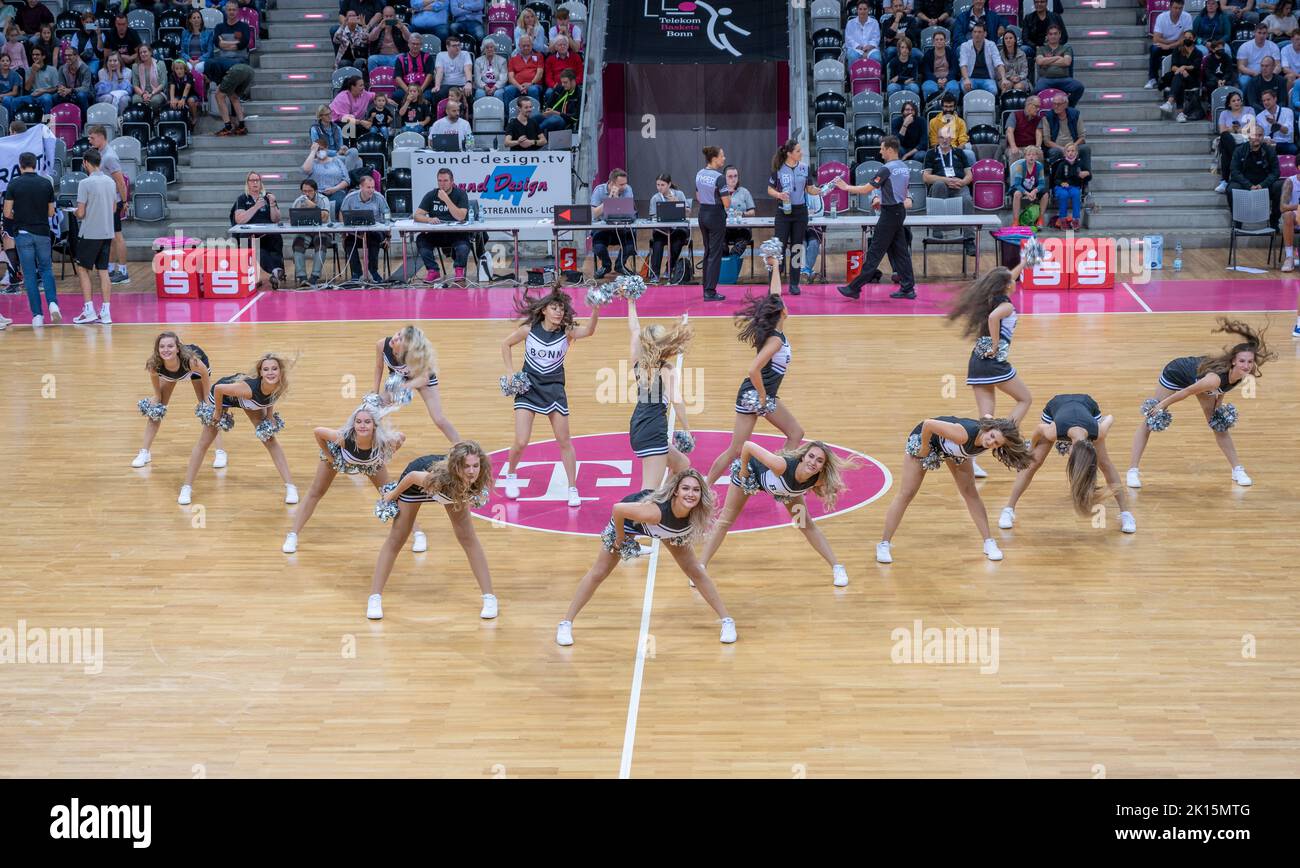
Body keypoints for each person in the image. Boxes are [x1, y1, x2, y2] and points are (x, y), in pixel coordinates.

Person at [556, 469, 735, 647]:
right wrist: (620, 539)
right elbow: (618, 509)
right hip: (628, 523)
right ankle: (566, 624)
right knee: (599, 572)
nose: (691, 494)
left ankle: (727, 621)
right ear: (675, 492)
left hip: (664, 529)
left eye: (696, 490)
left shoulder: (695, 514)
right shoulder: (655, 512)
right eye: (686, 488)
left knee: (695, 571)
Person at [1128, 319, 1275, 489]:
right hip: (1176, 373)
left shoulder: (1241, 373)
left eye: (1250, 362)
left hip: (1200, 378)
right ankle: (1132, 471)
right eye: (1242, 361)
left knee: (1219, 425)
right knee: (1150, 420)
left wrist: (1218, 406)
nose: (1247, 365)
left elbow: (1224, 388)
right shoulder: (1214, 379)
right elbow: (1187, 391)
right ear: (1233, 361)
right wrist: (1161, 406)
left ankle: (1237, 470)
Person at [703, 250, 804, 486]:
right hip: (755, 394)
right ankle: (776, 482)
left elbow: (775, 293)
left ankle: (772, 480)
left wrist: (776, 266)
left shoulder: (775, 330)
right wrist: (761, 396)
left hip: (760, 394)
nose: (786, 305)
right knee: (792, 435)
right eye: (784, 306)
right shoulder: (776, 340)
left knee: (738, 449)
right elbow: (753, 369)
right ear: (782, 313)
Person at [875, 415, 1031, 564]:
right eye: (991, 436)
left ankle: (989, 542)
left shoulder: (987, 439)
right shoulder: (963, 435)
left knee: (970, 493)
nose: (990, 442)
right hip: (926, 438)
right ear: (988, 429)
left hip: (952, 449)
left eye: (996, 443)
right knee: (907, 493)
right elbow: (928, 424)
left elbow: (989, 416)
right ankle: (883, 544)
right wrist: (923, 449)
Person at [701, 439, 855, 587]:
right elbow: (747, 445)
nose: (813, 462)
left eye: (819, 460)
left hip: (786, 491)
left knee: (806, 525)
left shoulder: (818, 479)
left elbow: (831, 487)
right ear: (803, 457)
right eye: (811, 456)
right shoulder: (781, 465)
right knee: (725, 521)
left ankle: (837, 567)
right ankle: (701, 567)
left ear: (822, 467)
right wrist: (743, 472)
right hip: (750, 474)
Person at [499, 288, 601, 508]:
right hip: (529, 388)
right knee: (521, 440)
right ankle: (511, 474)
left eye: (561, 308)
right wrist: (510, 372)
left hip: (554, 389)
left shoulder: (567, 331)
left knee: (564, 441)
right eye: (554, 308)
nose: (558, 312)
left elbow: (590, 331)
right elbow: (505, 344)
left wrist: (595, 310)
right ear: (544, 310)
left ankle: (572, 488)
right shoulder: (529, 329)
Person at [283, 403, 415, 555]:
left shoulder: (383, 442)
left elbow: (401, 437)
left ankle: (418, 535)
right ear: (353, 424)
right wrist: (328, 456)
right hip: (340, 457)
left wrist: (384, 457)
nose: (362, 425)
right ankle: (292, 536)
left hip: (370, 463)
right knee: (315, 492)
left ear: (375, 425)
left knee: (393, 495)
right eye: (358, 422)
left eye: (367, 422)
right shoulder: (343, 439)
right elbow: (318, 432)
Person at [998, 394, 1136, 535]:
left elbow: (1110, 417)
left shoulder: (1098, 432)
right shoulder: (1053, 431)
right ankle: (1008, 509)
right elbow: (1039, 429)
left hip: (1088, 406)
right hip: (1056, 406)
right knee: (1034, 463)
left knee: (1105, 464)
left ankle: (1126, 513)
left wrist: (1102, 423)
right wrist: (1031, 448)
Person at [179, 354, 298, 508]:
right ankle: (186, 488)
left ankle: (291, 487)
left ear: (280, 372)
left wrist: (269, 416)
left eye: (274, 369)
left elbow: (270, 399)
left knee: (270, 440)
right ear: (260, 373)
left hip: (248, 401)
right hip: (224, 396)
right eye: (266, 369)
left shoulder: (280, 385)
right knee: (205, 442)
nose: (270, 372)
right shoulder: (249, 389)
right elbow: (220, 389)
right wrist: (218, 412)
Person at [835, 136, 916, 300]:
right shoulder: (903, 167)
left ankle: (854, 287)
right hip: (899, 211)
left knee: (875, 252)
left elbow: (866, 189)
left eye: (882, 148)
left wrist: (845, 187)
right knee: (901, 252)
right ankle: (908, 287)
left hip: (889, 214)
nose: (880, 152)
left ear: (890, 150)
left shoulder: (886, 169)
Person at [132, 332, 225, 469]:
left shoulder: (193, 361)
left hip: (195, 372)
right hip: (170, 374)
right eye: (162, 346)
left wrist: (207, 397)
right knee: (155, 410)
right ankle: (144, 452)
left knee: (209, 410)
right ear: (157, 349)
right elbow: (155, 382)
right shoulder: (154, 364)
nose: (166, 349)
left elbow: (204, 373)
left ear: (177, 348)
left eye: (170, 346)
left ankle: (220, 452)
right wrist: (157, 396)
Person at [374, 324, 461, 441]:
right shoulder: (381, 345)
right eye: (399, 334)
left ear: (406, 350)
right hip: (400, 377)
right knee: (375, 408)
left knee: (438, 419)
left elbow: (424, 380)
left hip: (420, 378)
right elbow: (379, 368)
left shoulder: (417, 357)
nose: (395, 338)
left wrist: (406, 386)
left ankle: (461, 447)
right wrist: (375, 392)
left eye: (400, 340)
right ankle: (371, 443)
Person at [3, 151, 58, 328]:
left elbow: (6, 213)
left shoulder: (14, 184)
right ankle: (52, 303)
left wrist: (18, 215)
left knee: (29, 275)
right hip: (42, 232)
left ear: (20, 165)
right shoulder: (46, 183)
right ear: (35, 164)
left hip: (23, 233)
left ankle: (37, 316)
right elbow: (51, 212)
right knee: (46, 270)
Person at [766, 139, 820, 297]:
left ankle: (794, 284)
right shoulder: (778, 169)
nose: (801, 153)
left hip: (800, 213)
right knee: (778, 249)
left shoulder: (804, 168)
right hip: (783, 212)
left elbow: (809, 189)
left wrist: (820, 190)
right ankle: (774, 284)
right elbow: (769, 189)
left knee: (797, 248)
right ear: (789, 154)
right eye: (798, 151)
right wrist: (779, 194)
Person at [71, 148, 115, 325]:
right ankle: (106, 312)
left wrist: (74, 212)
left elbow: (81, 213)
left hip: (90, 233)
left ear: (86, 163)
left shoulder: (85, 183)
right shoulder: (110, 181)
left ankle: (89, 309)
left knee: (83, 269)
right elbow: (113, 208)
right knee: (103, 272)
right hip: (107, 232)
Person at [413, 165, 473, 282]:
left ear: (452, 181)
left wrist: (446, 199)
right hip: (436, 234)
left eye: (445, 180)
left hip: (456, 234)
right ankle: (433, 270)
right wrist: (429, 219)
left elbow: (460, 217)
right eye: (439, 181)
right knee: (421, 239)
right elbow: (417, 215)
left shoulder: (460, 194)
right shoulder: (431, 195)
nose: (442, 184)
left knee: (464, 245)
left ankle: (459, 270)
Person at [923, 127, 975, 255]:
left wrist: (963, 182)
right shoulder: (931, 153)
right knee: (940, 184)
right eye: (941, 137)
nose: (944, 140)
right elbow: (926, 177)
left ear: (952, 138)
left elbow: (969, 175)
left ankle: (969, 239)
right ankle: (937, 228)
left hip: (958, 186)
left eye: (947, 137)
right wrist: (946, 180)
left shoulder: (959, 153)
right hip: (940, 187)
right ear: (937, 138)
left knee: (967, 199)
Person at [230, 171, 286, 289]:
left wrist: (272, 204)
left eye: (257, 180)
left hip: (268, 231)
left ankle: (276, 273)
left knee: (276, 238)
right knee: (256, 247)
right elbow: (239, 219)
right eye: (252, 180)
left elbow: (276, 219)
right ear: (248, 183)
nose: (255, 183)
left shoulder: (268, 196)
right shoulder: (242, 198)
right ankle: (275, 270)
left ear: (261, 183)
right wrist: (255, 207)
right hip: (250, 233)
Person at [1229, 122, 1282, 228]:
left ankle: (1274, 221)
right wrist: (1249, 185)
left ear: (1263, 136)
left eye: (1260, 135)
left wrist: (1262, 185)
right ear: (1249, 136)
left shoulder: (1269, 150)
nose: (1257, 138)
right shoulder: (1239, 150)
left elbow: (1276, 172)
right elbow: (1234, 171)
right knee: (1231, 188)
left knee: (1280, 186)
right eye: (1254, 135)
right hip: (1245, 185)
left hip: (1264, 185)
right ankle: (1237, 221)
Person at [696, 144, 731, 301]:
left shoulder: (699, 174)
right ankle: (710, 292)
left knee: (708, 252)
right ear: (714, 158)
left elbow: (698, 196)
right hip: (715, 215)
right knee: (715, 254)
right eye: (722, 155)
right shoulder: (719, 177)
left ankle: (706, 289)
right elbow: (727, 203)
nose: (724, 158)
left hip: (702, 213)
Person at [339, 174, 390, 282]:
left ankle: (373, 271)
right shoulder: (350, 198)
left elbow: (387, 217)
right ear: (361, 187)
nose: (371, 190)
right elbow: (341, 214)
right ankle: (356, 273)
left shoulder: (379, 197)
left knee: (373, 238)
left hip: (375, 231)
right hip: (355, 232)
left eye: (373, 187)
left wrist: (388, 237)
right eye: (368, 187)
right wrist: (344, 233)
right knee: (348, 242)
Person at [589, 168, 635, 277]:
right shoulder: (599, 190)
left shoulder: (627, 189)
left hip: (621, 227)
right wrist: (609, 200)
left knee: (631, 244)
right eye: (621, 184)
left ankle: (620, 265)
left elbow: (628, 211)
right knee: (598, 247)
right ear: (612, 183)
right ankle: (606, 265)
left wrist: (618, 198)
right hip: (603, 228)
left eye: (625, 183)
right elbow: (594, 214)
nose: (624, 186)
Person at [646, 173, 688, 283]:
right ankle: (655, 273)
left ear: (669, 184)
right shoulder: (655, 198)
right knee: (658, 243)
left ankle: (669, 268)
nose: (660, 187)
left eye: (662, 185)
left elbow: (688, 213)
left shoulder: (679, 194)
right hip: (662, 230)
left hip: (677, 229)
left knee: (678, 240)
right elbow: (653, 217)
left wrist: (677, 203)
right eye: (658, 185)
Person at [290, 179, 331, 286]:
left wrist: (313, 206)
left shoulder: (323, 199)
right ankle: (302, 277)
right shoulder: (298, 201)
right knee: (297, 243)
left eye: (310, 191)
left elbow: (325, 218)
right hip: (306, 232)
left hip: (322, 231)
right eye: (304, 191)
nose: (306, 194)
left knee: (320, 242)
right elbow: (291, 220)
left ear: (315, 191)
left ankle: (314, 277)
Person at [1215, 90, 1255, 193]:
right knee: (1225, 137)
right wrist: (1234, 129)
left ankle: (1224, 181)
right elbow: (1222, 131)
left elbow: (1252, 128)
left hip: (1245, 139)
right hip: (1230, 139)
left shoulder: (1249, 110)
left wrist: (1235, 129)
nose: (1237, 102)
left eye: (1238, 100)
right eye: (1233, 101)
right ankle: (1237, 158)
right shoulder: (1224, 113)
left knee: (1225, 153)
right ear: (1229, 103)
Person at [1035, 24, 1084, 106]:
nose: (1053, 36)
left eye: (1055, 33)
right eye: (1050, 34)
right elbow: (1040, 61)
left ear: (1059, 35)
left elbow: (1067, 62)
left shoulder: (1066, 48)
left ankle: (1068, 106)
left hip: (1063, 79)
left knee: (1079, 87)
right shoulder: (1041, 49)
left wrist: (1046, 61)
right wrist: (1058, 57)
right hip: (1046, 79)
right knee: (1036, 91)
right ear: (1047, 36)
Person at [302, 139, 352, 218]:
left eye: (321, 149)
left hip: (336, 191)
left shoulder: (337, 161)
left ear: (326, 148)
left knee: (339, 201)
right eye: (317, 150)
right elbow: (305, 170)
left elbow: (347, 180)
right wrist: (313, 152)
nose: (319, 151)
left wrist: (334, 189)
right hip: (317, 193)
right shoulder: (312, 163)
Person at [1043, 93, 1090, 171]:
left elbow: (1082, 137)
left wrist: (1073, 147)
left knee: (1085, 149)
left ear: (1065, 104)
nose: (1055, 106)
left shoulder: (1075, 115)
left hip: (1073, 144)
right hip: (1057, 146)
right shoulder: (1048, 117)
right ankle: (1054, 180)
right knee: (1054, 152)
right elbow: (1047, 141)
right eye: (1054, 104)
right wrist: (1063, 149)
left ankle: (1085, 178)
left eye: (1058, 104)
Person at [928, 92, 977, 164]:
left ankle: (971, 174)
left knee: (969, 153)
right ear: (942, 107)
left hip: (956, 149)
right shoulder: (933, 122)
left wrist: (954, 152)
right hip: (940, 150)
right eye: (946, 106)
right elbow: (934, 142)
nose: (948, 109)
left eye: (950, 106)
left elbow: (963, 141)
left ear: (954, 107)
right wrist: (945, 151)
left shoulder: (960, 122)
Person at [959, 22, 1003, 96]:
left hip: (987, 78)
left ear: (985, 34)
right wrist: (966, 79)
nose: (976, 34)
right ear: (972, 34)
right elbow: (963, 64)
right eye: (975, 32)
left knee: (994, 90)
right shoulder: (965, 45)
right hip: (970, 78)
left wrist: (1004, 78)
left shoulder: (991, 45)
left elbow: (998, 63)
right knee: (965, 87)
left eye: (979, 32)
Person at [1051, 142, 1088, 230]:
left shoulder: (1080, 164)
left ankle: (1075, 220)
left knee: (1076, 194)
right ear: (1065, 153)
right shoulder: (1061, 164)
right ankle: (1062, 219)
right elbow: (1055, 179)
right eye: (1068, 151)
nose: (1070, 153)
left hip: (1074, 186)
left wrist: (1087, 173)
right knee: (1064, 195)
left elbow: (1088, 176)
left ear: (1076, 153)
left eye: (1072, 151)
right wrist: (1061, 183)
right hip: (1061, 187)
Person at [1009, 145, 1048, 227]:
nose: (1031, 157)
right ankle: (1016, 220)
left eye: (1033, 155)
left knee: (1045, 195)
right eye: (1029, 155)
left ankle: (1040, 219)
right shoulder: (1020, 166)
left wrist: (1034, 191)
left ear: (1037, 156)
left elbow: (1042, 184)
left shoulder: (1039, 166)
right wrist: (1027, 193)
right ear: (1025, 156)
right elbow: (1017, 184)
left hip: (1033, 189)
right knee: (1017, 194)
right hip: (1021, 188)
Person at [1235, 21, 1280, 90]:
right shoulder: (1245, 46)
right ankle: (1244, 100)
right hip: (1250, 74)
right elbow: (1241, 66)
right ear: (1254, 33)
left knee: (1281, 80)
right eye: (1259, 33)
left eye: (1264, 33)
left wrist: (1271, 74)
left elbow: (1278, 65)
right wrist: (1254, 73)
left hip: (1269, 74)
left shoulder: (1273, 46)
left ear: (1267, 35)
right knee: (1244, 81)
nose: (1262, 35)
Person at [504, 33, 544, 110]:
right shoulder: (513, 59)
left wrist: (530, 83)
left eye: (528, 45)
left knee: (533, 90)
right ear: (519, 46)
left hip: (534, 84)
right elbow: (511, 77)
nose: (526, 48)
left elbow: (539, 73)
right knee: (508, 90)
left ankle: (535, 116)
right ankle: (508, 116)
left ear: (532, 45)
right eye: (523, 46)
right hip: (517, 86)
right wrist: (519, 87)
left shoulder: (539, 56)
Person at [367, 5, 412, 73]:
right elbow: (371, 38)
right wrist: (380, 27)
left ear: (394, 16)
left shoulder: (401, 26)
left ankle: (398, 82)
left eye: (391, 16)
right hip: (381, 56)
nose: (389, 18)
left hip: (396, 56)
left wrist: (402, 28)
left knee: (402, 58)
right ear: (383, 17)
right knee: (371, 59)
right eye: (386, 16)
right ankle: (374, 82)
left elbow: (409, 39)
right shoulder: (377, 26)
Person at [723, 163, 756, 256]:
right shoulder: (719, 193)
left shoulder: (744, 192)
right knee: (721, 247)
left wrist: (742, 214)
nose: (733, 179)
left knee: (738, 248)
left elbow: (752, 212)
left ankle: (732, 265)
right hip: (725, 228)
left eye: (735, 176)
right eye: (730, 176)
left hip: (742, 228)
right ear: (724, 178)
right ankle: (725, 267)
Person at [922, 28, 961, 100]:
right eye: (936, 39)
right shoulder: (928, 54)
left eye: (941, 39)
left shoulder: (951, 53)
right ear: (933, 41)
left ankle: (952, 109)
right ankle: (931, 109)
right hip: (932, 79)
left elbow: (954, 69)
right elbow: (926, 71)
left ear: (945, 41)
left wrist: (947, 79)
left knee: (953, 88)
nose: (939, 41)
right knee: (929, 89)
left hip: (949, 79)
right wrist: (936, 80)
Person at [432, 33, 471, 104]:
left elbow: (468, 69)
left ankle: (467, 114)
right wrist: (437, 85)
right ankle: (438, 114)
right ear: (447, 47)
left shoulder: (465, 54)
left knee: (468, 92)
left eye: (459, 45)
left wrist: (468, 82)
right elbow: (439, 71)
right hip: (446, 84)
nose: (458, 48)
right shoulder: (440, 55)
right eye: (454, 46)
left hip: (461, 84)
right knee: (437, 93)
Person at [542, 35, 581, 106]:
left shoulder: (576, 57)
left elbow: (580, 75)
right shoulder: (550, 59)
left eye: (564, 44)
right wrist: (555, 86)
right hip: (556, 86)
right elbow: (548, 78)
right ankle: (549, 112)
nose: (562, 46)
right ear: (556, 47)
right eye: (560, 45)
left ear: (568, 46)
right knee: (549, 93)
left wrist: (572, 84)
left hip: (572, 85)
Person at [394, 38, 433, 108]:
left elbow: (430, 75)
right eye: (413, 44)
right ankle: (401, 116)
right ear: (408, 44)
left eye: (417, 44)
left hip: (423, 88)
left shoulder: (427, 57)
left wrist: (420, 91)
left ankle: (426, 116)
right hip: (406, 88)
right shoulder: (400, 58)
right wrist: (409, 91)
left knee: (428, 96)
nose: (415, 46)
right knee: (396, 95)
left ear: (421, 45)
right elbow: (397, 77)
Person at [1005, 94, 1043, 164]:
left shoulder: (1038, 119)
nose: (1038, 109)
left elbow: (1039, 134)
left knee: (1039, 154)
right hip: (1017, 146)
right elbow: (1009, 131)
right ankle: (1015, 175)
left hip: (1031, 147)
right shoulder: (1015, 115)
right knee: (1014, 154)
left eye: (1039, 107)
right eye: (1036, 106)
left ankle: (1036, 174)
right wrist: (1013, 146)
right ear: (1028, 105)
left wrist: (1037, 147)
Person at [538, 67, 579, 133]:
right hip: (552, 114)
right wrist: (547, 109)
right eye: (562, 82)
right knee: (536, 117)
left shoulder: (579, 95)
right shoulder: (559, 87)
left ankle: (534, 132)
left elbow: (575, 117)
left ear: (573, 81)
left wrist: (556, 113)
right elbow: (549, 103)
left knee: (554, 119)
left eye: (565, 82)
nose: (563, 85)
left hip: (565, 120)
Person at [1257, 88, 1296, 155]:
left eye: (1268, 99)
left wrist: (1275, 123)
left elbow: (1288, 131)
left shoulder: (1288, 111)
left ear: (1275, 99)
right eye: (1264, 101)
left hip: (1284, 143)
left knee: (1293, 149)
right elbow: (1260, 135)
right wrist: (1266, 140)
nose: (1266, 102)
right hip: (1267, 143)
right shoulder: (1259, 116)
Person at [880, 0, 919, 65]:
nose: (898, 8)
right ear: (892, 8)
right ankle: (888, 73)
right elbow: (888, 35)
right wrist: (897, 19)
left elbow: (912, 34)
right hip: (893, 47)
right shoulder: (886, 22)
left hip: (909, 48)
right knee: (890, 51)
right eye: (896, 6)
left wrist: (894, 36)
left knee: (919, 54)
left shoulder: (911, 20)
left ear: (903, 7)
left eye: (900, 6)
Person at [55, 44, 92, 112]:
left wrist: (71, 90)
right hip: (68, 92)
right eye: (65, 55)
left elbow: (85, 88)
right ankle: (57, 119)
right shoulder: (62, 68)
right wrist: (62, 89)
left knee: (81, 95)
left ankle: (85, 120)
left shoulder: (85, 68)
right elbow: (60, 83)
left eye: (69, 55)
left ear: (76, 56)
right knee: (55, 97)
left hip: (83, 93)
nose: (67, 57)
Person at [131, 43, 166, 112]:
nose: (143, 54)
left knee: (154, 101)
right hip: (142, 92)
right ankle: (141, 119)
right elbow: (135, 85)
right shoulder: (135, 66)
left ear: (150, 52)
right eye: (140, 53)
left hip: (157, 92)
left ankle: (154, 118)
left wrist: (152, 94)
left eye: (145, 52)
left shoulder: (160, 64)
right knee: (136, 100)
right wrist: (143, 94)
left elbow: (163, 83)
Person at [22, 44, 56, 113]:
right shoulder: (28, 70)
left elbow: (55, 88)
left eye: (37, 54)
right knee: (15, 101)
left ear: (43, 56)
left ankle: (47, 121)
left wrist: (43, 91)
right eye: (33, 55)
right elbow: (27, 88)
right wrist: (33, 72)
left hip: (47, 95)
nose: (34, 56)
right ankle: (13, 123)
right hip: (33, 96)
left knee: (46, 98)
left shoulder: (52, 69)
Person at [168, 58, 200, 127]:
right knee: (173, 103)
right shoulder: (172, 76)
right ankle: (178, 120)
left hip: (190, 94)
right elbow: (172, 88)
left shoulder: (189, 75)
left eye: (181, 68)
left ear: (185, 69)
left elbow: (187, 88)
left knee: (191, 101)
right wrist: (172, 99)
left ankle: (194, 117)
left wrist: (183, 99)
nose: (179, 71)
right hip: (178, 95)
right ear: (174, 69)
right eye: (177, 69)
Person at [473, 36, 505, 102]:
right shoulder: (478, 61)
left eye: (491, 47)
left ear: (494, 48)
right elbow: (477, 78)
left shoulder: (502, 60)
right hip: (483, 86)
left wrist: (495, 87)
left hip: (497, 86)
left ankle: (499, 112)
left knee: (498, 94)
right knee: (480, 93)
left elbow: (503, 78)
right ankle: (480, 112)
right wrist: (485, 87)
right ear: (483, 49)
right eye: (487, 48)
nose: (489, 49)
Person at [999, 29, 1030, 94]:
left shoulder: (1022, 54)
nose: (1008, 40)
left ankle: (1020, 103)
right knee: (1006, 86)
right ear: (1003, 41)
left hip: (1020, 79)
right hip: (1006, 79)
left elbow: (1025, 71)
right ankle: (1003, 102)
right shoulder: (1000, 54)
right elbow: (998, 72)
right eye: (1006, 38)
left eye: (1010, 38)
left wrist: (1019, 78)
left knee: (1019, 87)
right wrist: (1010, 77)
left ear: (1015, 40)